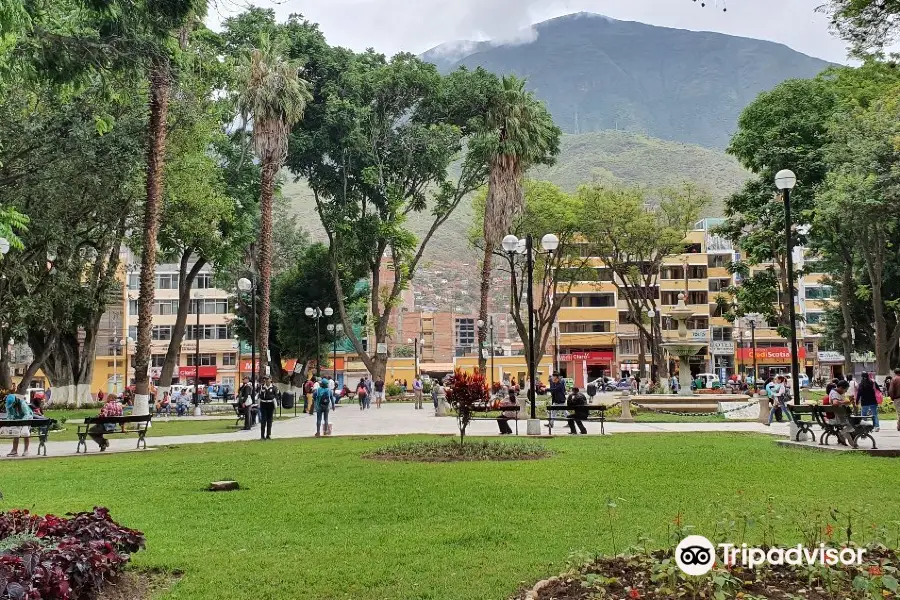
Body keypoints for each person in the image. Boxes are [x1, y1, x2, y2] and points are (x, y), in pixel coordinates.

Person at [826, 380, 857, 447]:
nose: (845, 391)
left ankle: (852, 443)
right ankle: (841, 433)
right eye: (845, 390)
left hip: (840, 416)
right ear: (841, 388)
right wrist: (846, 402)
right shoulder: (834, 393)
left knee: (848, 428)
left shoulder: (835, 392)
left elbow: (841, 403)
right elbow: (835, 403)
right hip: (840, 418)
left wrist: (849, 402)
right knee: (855, 424)